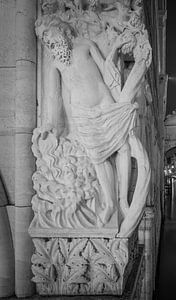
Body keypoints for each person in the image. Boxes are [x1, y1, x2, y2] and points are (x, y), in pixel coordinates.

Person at [36, 16, 150, 225]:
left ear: (61, 30)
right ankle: (109, 204)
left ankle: (123, 201)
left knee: (122, 147)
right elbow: (53, 95)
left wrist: (115, 47)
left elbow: (107, 69)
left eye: (49, 35)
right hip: (82, 112)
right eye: (44, 40)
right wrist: (50, 123)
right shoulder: (55, 63)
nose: (48, 42)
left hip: (105, 103)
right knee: (98, 157)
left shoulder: (86, 45)